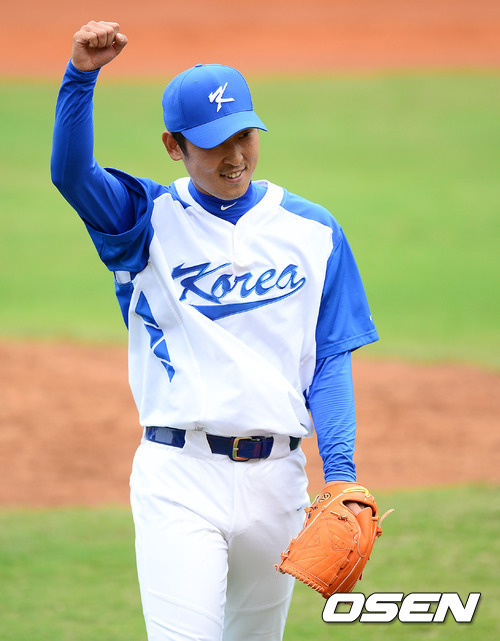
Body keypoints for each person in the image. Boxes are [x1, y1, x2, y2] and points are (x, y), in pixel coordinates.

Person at [51, 20, 379, 641]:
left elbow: (331, 358)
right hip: (181, 478)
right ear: (173, 146)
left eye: (244, 136)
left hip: (278, 483)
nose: (234, 157)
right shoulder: (142, 219)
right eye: (212, 143)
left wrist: (341, 473)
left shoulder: (314, 231)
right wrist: (80, 78)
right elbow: (72, 176)